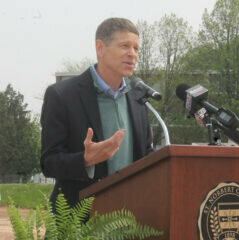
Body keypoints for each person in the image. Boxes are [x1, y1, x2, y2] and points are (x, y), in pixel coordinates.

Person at [40, 18, 154, 210]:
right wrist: (85, 160)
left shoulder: (138, 98)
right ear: (100, 48)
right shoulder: (62, 95)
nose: (132, 54)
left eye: (136, 49)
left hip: (132, 219)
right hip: (79, 221)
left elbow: (146, 155)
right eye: (125, 46)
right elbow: (48, 162)